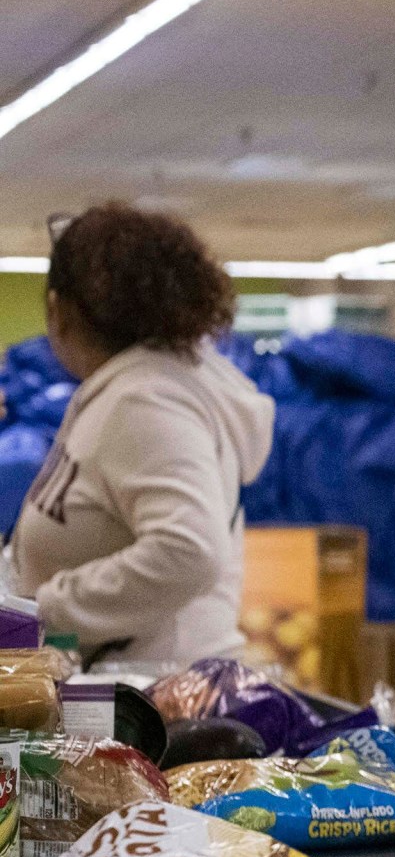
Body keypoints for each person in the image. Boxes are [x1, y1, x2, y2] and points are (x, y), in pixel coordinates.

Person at [6, 204, 273, 664]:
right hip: (131, 684)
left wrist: (50, 610)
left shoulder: (146, 401)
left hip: (153, 701)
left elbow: (190, 550)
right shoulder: (132, 389)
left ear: (59, 310)